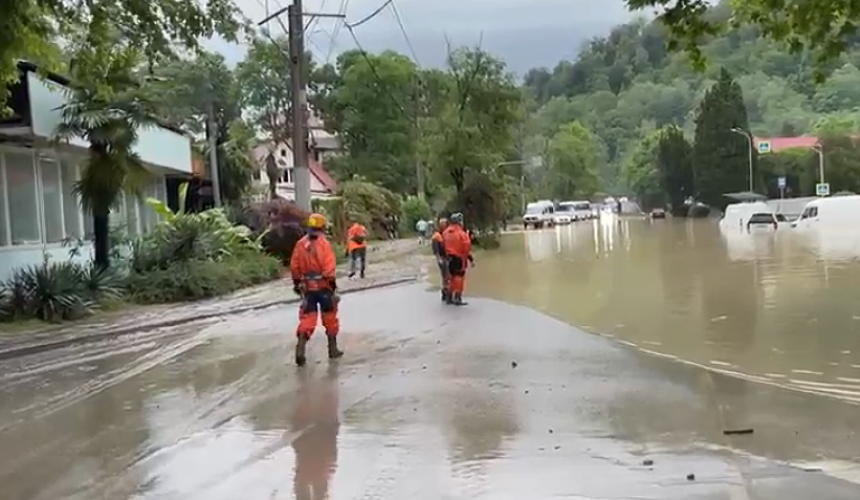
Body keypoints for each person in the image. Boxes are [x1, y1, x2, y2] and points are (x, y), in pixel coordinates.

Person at [290, 213, 343, 366]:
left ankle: (300, 348)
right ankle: (333, 350)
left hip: (307, 287)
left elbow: (294, 266)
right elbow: (329, 268)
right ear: (323, 227)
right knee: (330, 317)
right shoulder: (324, 244)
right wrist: (332, 286)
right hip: (324, 286)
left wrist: (297, 283)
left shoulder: (300, 244)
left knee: (307, 318)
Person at [442, 212, 474, 306]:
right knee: (459, 277)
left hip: (449, 258)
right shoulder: (462, 234)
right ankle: (457, 297)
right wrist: (469, 259)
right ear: (460, 221)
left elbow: (442, 245)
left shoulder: (445, 232)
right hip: (459, 258)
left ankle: (449, 297)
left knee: (451, 278)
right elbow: (466, 247)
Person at [431, 218, 450, 302]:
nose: (444, 226)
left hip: (448, 257)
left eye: (444, 224)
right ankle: (445, 293)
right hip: (442, 258)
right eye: (442, 224)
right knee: (446, 276)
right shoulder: (436, 236)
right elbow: (436, 250)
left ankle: (447, 292)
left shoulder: (446, 234)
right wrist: (439, 259)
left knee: (448, 276)